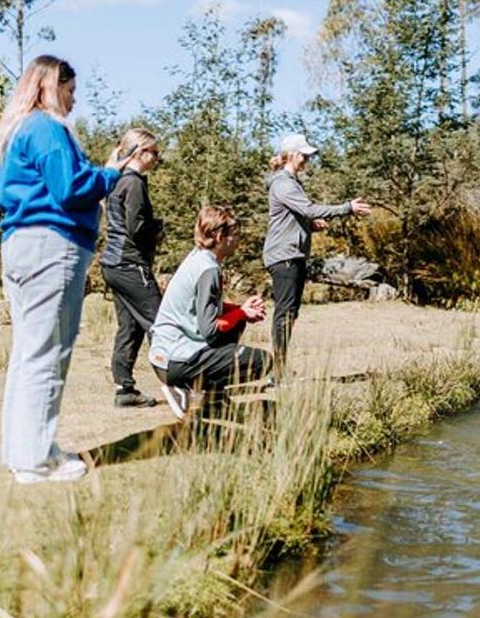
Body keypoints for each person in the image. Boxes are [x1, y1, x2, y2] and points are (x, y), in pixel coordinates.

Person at [0, 55, 128, 484]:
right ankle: (37, 462)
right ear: (52, 85)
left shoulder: (17, 132)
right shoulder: (47, 128)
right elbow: (70, 189)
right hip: (52, 246)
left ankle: (23, 451)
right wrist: (111, 173)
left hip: (21, 245)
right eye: (71, 88)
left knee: (28, 353)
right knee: (49, 352)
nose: (74, 98)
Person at [263, 133, 370, 379]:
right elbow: (309, 209)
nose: (307, 160)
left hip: (291, 255)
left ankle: (278, 370)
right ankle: (276, 373)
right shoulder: (284, 183)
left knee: (290, 312)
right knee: (285, 313)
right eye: (305, 155)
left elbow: (295, 215)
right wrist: (347, 208)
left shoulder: (290, 182)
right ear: (293, 155)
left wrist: (308, 225)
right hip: (285, 256)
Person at [148, 206, 271, 419]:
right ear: (220, 236)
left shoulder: (199, 257)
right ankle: (182, 386)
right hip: (177, 360)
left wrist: (241, 311)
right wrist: (240, 312)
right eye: (236, 235)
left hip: (164, 356)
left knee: (238, 322)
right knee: (263, 361)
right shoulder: (209, 270)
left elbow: (204, 310)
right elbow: (210, 330)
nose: (238, 241)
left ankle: (214, 399)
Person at [100, 128, 164, 408]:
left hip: (112, 264)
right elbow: (136, 228)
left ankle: (124, 389)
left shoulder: (115, 181)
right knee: (161, 323)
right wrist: (158, 228)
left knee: (129, 326)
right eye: (155, 153)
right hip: (130, 263)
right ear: (140, 152)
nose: (157, 158)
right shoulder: (134, 182)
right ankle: (183, 382)